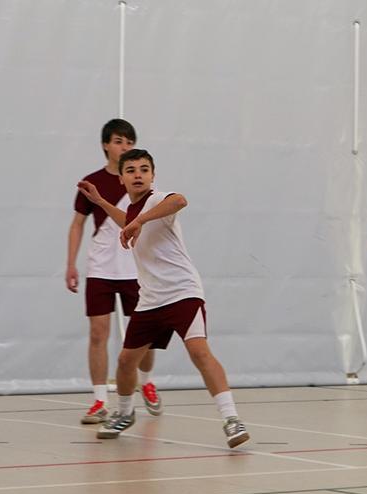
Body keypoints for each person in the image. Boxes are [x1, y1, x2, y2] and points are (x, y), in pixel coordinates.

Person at [77, 149, 250, 448]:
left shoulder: (158, 200)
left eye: (144, 169)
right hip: (151, 299)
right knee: (126, 361)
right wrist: (102, 203)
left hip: (182, 292)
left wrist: (139, 221)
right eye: (131, 170)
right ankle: (125, 413)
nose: (138, 174)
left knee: (199, 352)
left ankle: (232, 419)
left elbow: (180, 201)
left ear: (153, 175)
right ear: (121, 179)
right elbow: (127, 220)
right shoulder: (133, 212)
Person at [65, 119, 159, 424]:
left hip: (134, 269)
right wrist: (71, 263)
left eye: (129, 142)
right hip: (100, 269)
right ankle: (99, 400)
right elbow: (77, 224)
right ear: (106, 145)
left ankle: (146, 381)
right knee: (98, 333)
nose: (124, 147)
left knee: (143, 335)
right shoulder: (91, 183)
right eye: (119, 141)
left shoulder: (140, 183)